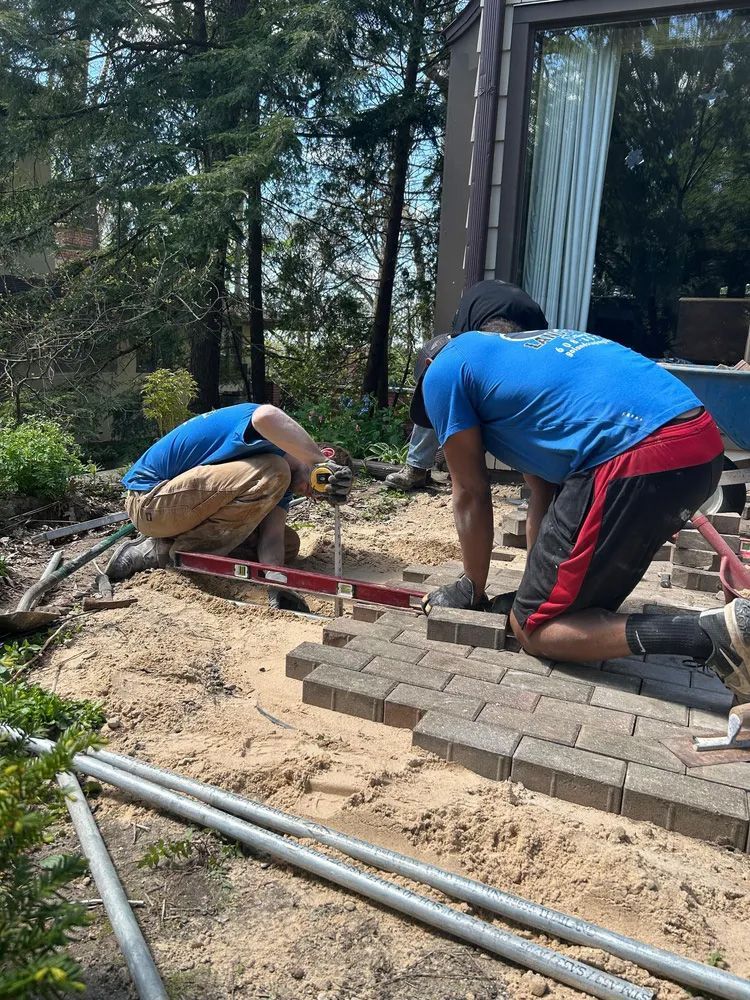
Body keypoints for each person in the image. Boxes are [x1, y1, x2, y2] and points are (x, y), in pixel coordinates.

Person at [410, 284, 750, 700]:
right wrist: (533, 585)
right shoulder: (526, 359)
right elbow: (544, 494)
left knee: (536, 628)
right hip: (699, 449)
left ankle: (711, 634)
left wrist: (472, 587)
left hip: (638, 453)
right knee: (571, 612)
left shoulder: (446, 369)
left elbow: (470, 493)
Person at [105, 403, 352, 610]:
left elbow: (272, 539)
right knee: (275, 469)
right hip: (150, 501)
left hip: (182, 508)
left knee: (288, 544)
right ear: (324, 454)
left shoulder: (282, 484)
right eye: (322, 483)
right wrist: (320, 461)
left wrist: (277, 583)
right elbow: (265, 415)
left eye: (322, 496)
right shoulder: (275, 441)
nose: (315, 496)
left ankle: (169, 548)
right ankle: (159, 550)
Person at [385, 280, 548, 491]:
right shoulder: (465, 332)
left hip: (522, 338)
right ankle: (416, 468)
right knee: (439, 390)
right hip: (476, 317)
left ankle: (538, 482)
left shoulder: (536, 333)